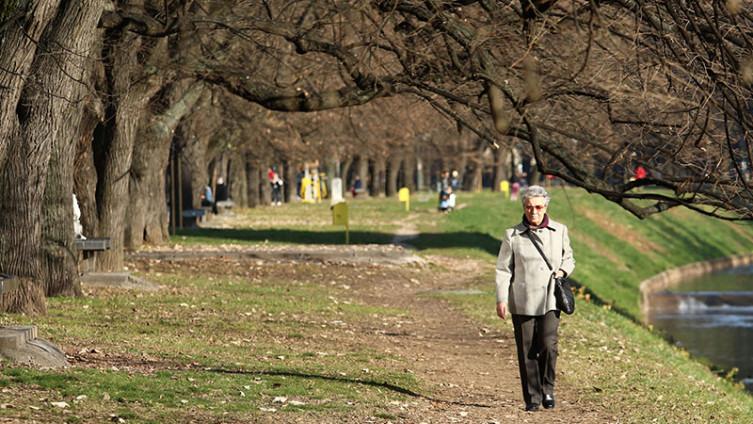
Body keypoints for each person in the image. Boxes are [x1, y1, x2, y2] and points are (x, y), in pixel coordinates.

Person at [495, 185, 575, 412]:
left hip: (550, 298)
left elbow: (569, 259)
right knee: (527, 349)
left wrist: (562, 272)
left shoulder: (559, 230)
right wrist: (501, 299)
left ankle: (548, 388)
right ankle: (533, 397)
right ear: (524, 207)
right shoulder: (512, 234)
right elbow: (503, 269)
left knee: (549, 345)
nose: (534, 211)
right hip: (522, 299)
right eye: (529, 207)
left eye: (538, 207)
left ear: (546, 207)